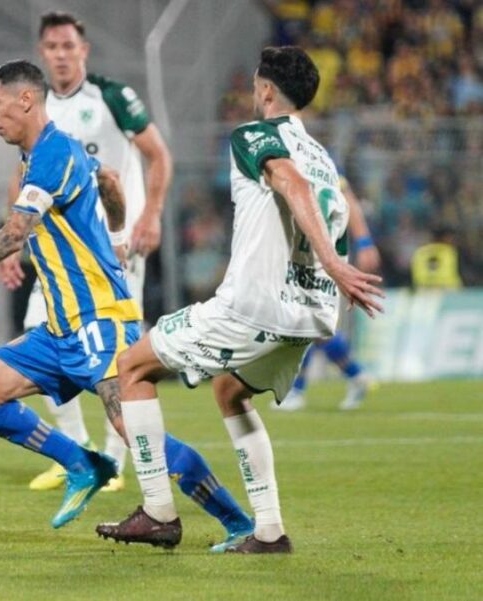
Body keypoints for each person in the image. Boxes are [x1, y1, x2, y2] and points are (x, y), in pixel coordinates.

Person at [0, 61, 249, 535]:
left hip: (99, 321)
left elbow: (15, 234)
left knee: (136, 432)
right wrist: (115, 225)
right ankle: (83, 464)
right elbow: (109, 185)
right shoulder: (46, 154)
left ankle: (237, 523)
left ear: (25, 100)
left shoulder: (52, 154)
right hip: (60, 329)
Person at [97, 47, 384, 554]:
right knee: (230, 391)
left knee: (130, 368)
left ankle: (158, 511)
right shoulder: (321, 156)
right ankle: (269, 531)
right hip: (310, 312)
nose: (254, 93)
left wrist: (338, 265)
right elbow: (326, 211)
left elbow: (287, 182)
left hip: (254, 305)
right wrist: (331, 272)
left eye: (256, 85)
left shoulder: (254, 136)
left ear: (267, 90)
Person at [0, 11, 172, 495]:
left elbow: (158, 153)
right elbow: (21, 177)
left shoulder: (111, 97)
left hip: (114, 246)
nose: (60, 54)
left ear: (83, 50)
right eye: (51, 46)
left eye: (68, 46)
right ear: (41, 52)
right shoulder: (35, 107)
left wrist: (150, 215)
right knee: (39, 332)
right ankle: (79, 454)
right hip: (58, 252)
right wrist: (13, 240)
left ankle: (117, 459)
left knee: (121, 356)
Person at [274, 178, 380, 412]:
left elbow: (347, 198)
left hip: (321, 255)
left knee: (306, 320)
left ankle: (297, 389)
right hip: (299, 252)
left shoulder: (317, 160)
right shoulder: (289, 157)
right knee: (309, 323)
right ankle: (355, 375)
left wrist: (363, 241)